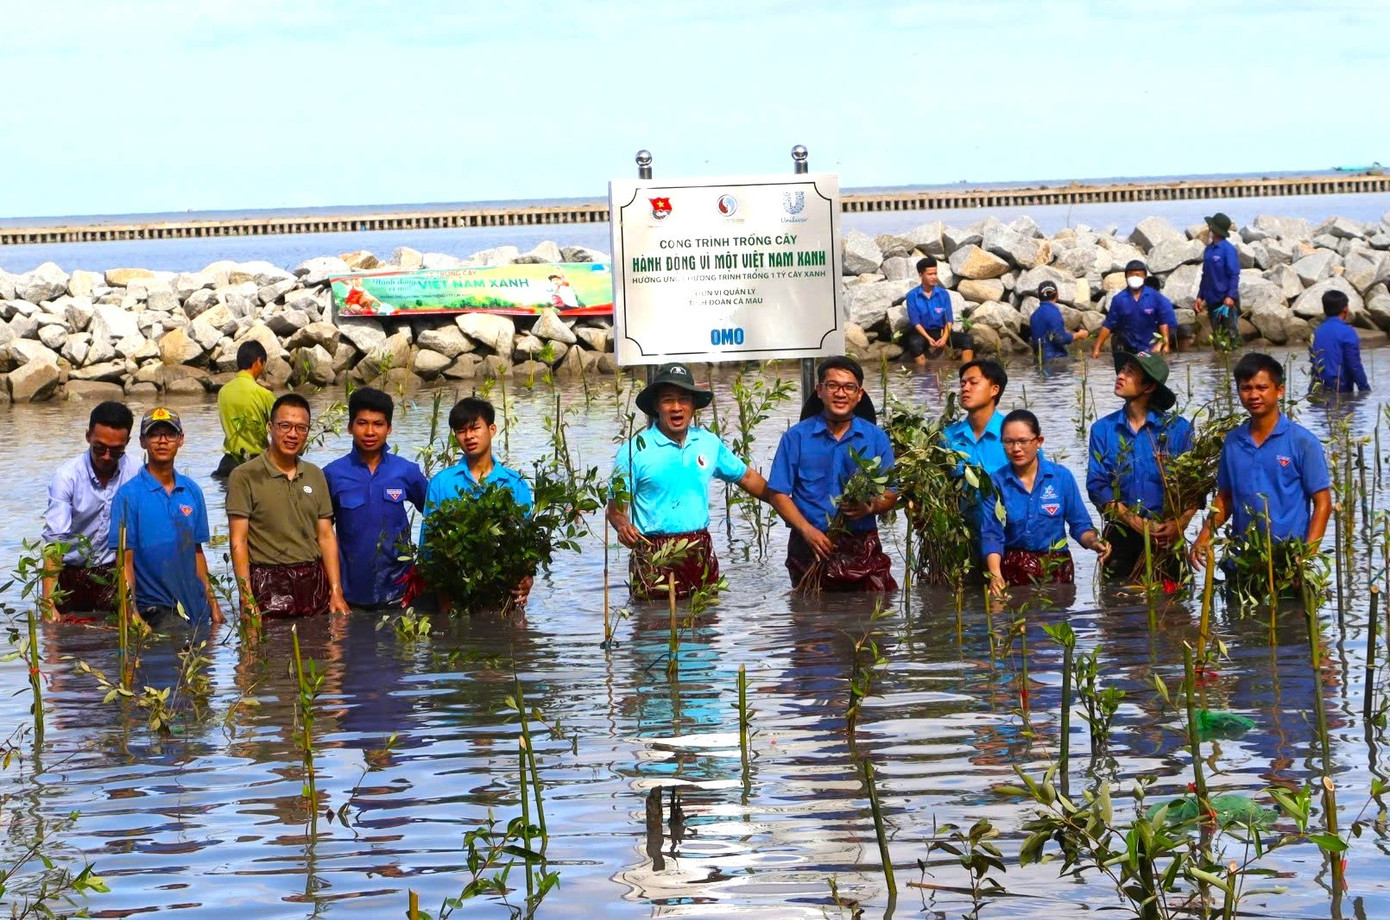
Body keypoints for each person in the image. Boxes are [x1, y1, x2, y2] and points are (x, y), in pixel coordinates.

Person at [607, 363, 771, 598]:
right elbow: (615, 510)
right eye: (668, 400)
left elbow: (746, 476)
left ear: (693, 405)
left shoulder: (708, 442)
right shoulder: (633, 451)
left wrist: (784, 502)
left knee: (706, 624)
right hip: (653, 550)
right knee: (653, 625)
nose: (676, 408)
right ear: (656, 406)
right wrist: (624, 527)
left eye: (684, 399)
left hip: (699, 547)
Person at [1192, 353, 1332, 584]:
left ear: (1279, 391)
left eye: (1261, 387)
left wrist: (1306, 557)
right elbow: (1225, 498)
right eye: (1246, 388)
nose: (1253, 395)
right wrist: (1204, 536)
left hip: (1289, 563)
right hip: (1243, 562)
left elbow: (1323, 502)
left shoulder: (1302, 441)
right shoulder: (1233, 442)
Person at [767, 357, 899, 591]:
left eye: (849, 387)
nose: (841, 393)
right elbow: (777, 493)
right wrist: (808, 531)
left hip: (861, 544)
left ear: (859, 394)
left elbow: (891, 494)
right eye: (832, 386)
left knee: (872, 615)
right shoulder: (795, 437)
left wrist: (871, 507)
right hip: (809, 545)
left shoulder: (876, 438)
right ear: (819, 391)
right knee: (811, 617)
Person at [227, 393, 350, 619]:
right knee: (266, 651)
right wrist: (246, 597)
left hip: (313, 581)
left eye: (301, 428)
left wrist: (335, 590)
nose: (292, 434)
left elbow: (325, 536)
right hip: (267, 583)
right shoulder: (244, 476)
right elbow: (238, 539)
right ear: (270, 427)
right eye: (285, 426)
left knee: (321, 649)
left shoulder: (315, 475)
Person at [109, 408, 222, 630]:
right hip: (155, 609)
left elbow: (197, 553)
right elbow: (124, 564)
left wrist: (215, 607)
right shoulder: (128, 496)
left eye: (169, 434)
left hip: (196, 608)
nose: (162, 441)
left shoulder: (192, 491)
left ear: (180, 440)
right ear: (142, 441)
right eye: (154, 434)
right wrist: (131, 615)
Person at [1086, 353, 1195, 581]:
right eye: (1122, 369)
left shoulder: (1177, 429)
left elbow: (1193, 487)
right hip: (1120, 535)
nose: (1120, 375)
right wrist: (1136, 522)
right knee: (1118, 609)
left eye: (1130, 372)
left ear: (1149, 386)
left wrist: (1179, 523)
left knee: (1173, 611)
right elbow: (1097, 485)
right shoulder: (1103, 430)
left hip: (1166, 536)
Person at [422, 397, 535, 610]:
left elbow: (526, 542)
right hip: (455, 595)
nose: (469, 436)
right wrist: (442, 599)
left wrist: (528, 579)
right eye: (461, 431)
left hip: (504, 595)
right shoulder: (441, 483)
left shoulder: (515, 483)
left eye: (475, 428)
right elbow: (429, 544)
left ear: (492, 429)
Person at [324, 387, 428, 608]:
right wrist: (334, 590)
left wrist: (425, 570)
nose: (370, 431)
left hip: (400, 594)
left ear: (389, 428)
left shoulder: (406, 471)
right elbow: (322, 534)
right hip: (350, 597)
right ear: (350, 426)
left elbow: (434, 516)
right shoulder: (332, 474)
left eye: (378, 424)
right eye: (362, 423)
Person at [981, 410, 1108, 591]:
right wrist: (996, 575)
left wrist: (1094, 543)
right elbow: (992, 534)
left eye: (1023, 441)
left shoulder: (1061, 477)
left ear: (1038, 442)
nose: (1016, 448)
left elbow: (1080, 525)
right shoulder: (996, 482)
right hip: (1013, 568)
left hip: (1055, 567)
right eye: (1008, 442)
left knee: (1057, 617)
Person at [41, 401, 141, 618]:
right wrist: (47, 604)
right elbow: (55, 543)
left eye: (116, 451)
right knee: (67, 639)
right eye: (99, 448)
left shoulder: (136, 471)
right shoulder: (66, 477)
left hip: (111, 572)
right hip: (69, 573)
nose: (106, 456)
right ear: (88, 436)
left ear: (127, 443)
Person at [215, 340, 276, 477]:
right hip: (255, 463)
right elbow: (280, 429)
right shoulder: (264, 394)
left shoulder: (223, 392)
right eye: (264, 364)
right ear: (258, 361)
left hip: (228, 464)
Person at [901, 256, 974, 365]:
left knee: (967, 339)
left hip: (941, 332)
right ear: (921, 275)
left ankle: (966, 369)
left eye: (935, 273)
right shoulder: (912, 296)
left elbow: (949, 320)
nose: (934, 277)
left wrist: (944, 338)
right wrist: (928, 338)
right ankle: (922, 376)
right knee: (914, 343)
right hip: (922, 333)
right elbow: (915, 322)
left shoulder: (943, 294)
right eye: (930, 274)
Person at [942, 360, 1010, 474]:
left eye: (973, 382)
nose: (965, 388)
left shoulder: (1014, 434)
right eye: (962, 384)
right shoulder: (948, 437)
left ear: (994, 390)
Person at [1091, 260, 1170, 357]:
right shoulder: (1119, 299)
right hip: (1127, 346)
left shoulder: (1155, 297)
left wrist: (1165, 344)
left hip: (1150, 347)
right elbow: (1108, 325)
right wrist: (1097, 348)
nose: (1135, 277)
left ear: (1144, 277)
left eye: (1138, 275)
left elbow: (1163, 322)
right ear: (1126, 276)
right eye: (1131, 275)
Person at [1309, 289, 1370, 395]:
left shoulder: (1316, 332)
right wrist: (1364, 389)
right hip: (1340, 389)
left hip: (1318, 389)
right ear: (1345, 309)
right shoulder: (1347, 332)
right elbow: (1354, 365)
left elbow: (1314, 362)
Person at [1194, 212, 1242, 344]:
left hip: (1226, 300)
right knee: (1218, 337)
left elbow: (1234, 274)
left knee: (1231, 336)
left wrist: (1230, 296)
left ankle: (1233, 361)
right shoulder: (1208, 250)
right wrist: (1200, 296)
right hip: (1212, 300)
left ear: (1213, 229)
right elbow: (1205, 276)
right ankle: (1220, 364)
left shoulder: (1228, 250)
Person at [1028, 280, 1089, 362]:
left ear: (1039, 296)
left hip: (1040, 360)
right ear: (1057, 295)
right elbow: (1060, 339)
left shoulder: (1034, 316)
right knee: (1085, 363)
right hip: (1055, 359)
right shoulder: (1054, 312)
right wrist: (1078, 335)